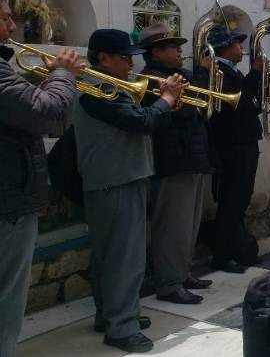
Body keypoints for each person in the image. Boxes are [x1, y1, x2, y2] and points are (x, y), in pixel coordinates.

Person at [73, 29, 184, 353]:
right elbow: (141, 122)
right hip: (117, 179)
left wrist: (165, 104)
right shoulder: (99, 88)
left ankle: (111, 314)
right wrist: (165, 99)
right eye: (125, 58)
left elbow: (139, 119)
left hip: (115, 178)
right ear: (103, 58)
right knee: (125, 257)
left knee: (111, 256)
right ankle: (121, 327)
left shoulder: (105, 86)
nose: (130, 64)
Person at [0, 0, 81, 357]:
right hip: (7, 206)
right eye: (3, 18)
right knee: (6, 303)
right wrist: (64, 74)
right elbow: (47, 115)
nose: (12, 25)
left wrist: (50, 83)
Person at [138, 23, 213, 305]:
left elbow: (201, 110)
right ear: (156, 52)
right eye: (173, 47)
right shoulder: (150, 80)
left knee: (189, 223)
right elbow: (176, 116)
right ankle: (169, 282)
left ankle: (182, 272)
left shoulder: (179, 77)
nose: (180, 51)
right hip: (171, 160)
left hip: (191, 158)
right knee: (172, 226)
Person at [206, 27, 264, 274]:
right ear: (223, 48)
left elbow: (248, 104)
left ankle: (237, 249)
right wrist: (254, 75)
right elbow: (235, 104)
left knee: (240, 200)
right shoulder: (217, 71)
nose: (241, 48)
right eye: (236, 44)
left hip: (244, 142)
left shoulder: (231, 70)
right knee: (230, 202)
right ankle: (222, 255)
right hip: (232, 145)